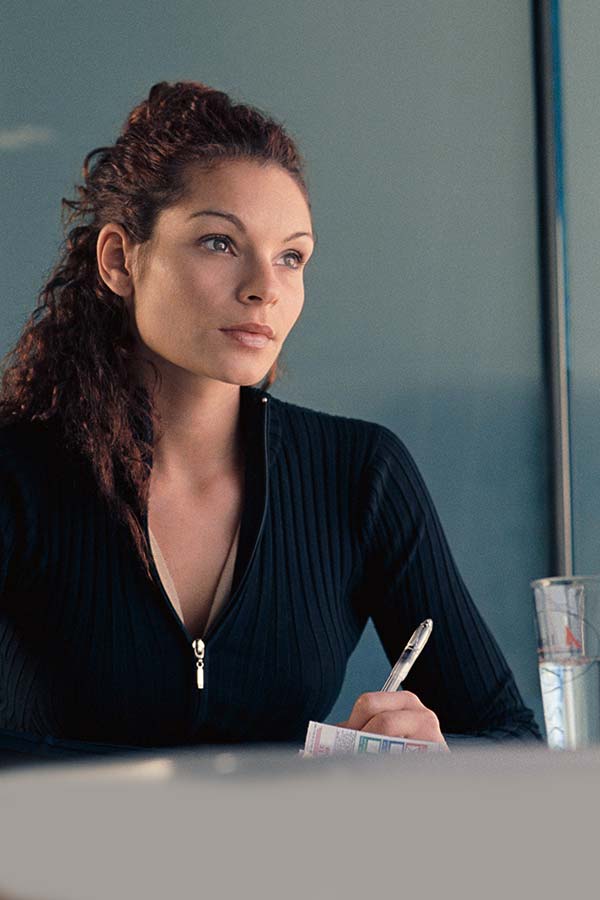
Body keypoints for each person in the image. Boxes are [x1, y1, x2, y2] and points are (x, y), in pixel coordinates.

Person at [0, 81, 542, 762]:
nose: (266, 287)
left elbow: (514, 738)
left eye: (291, 256)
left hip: (291, 839)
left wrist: (433, 755)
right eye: (219, 243)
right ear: (119, 260)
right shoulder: (16, 474)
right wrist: (197, 789)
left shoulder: (359, 475)